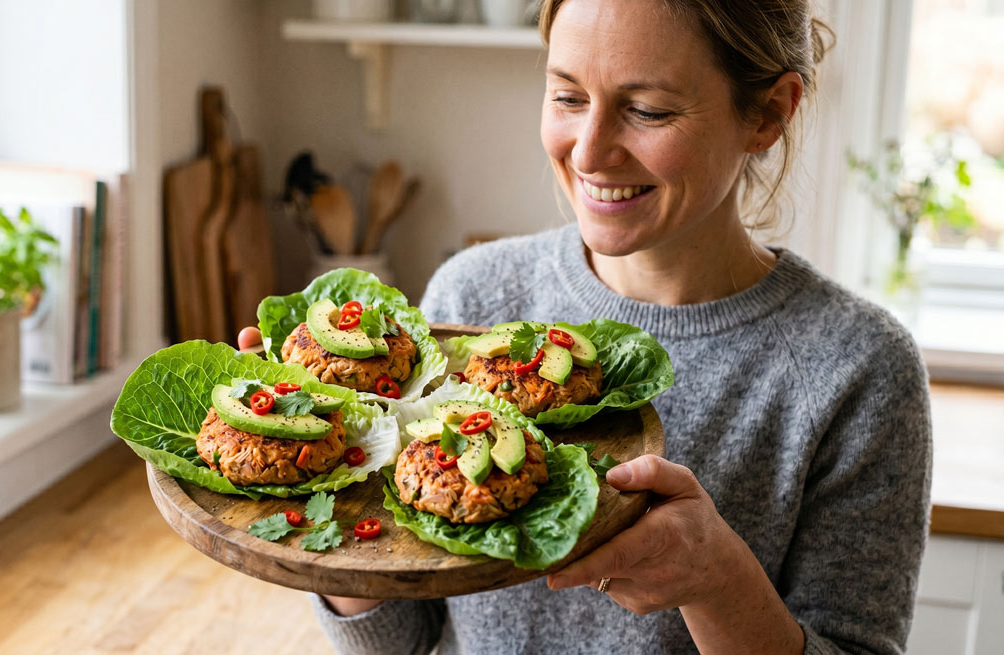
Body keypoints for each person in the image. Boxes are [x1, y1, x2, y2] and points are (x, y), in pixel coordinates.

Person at [241, 0, 931, 652]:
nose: (589, 151)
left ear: (768, 114)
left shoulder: (858, 369)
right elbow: (402, 637)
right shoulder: (474, 297)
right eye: (568, 96)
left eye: (648, 110)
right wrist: (324, 478)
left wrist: (718, 582)